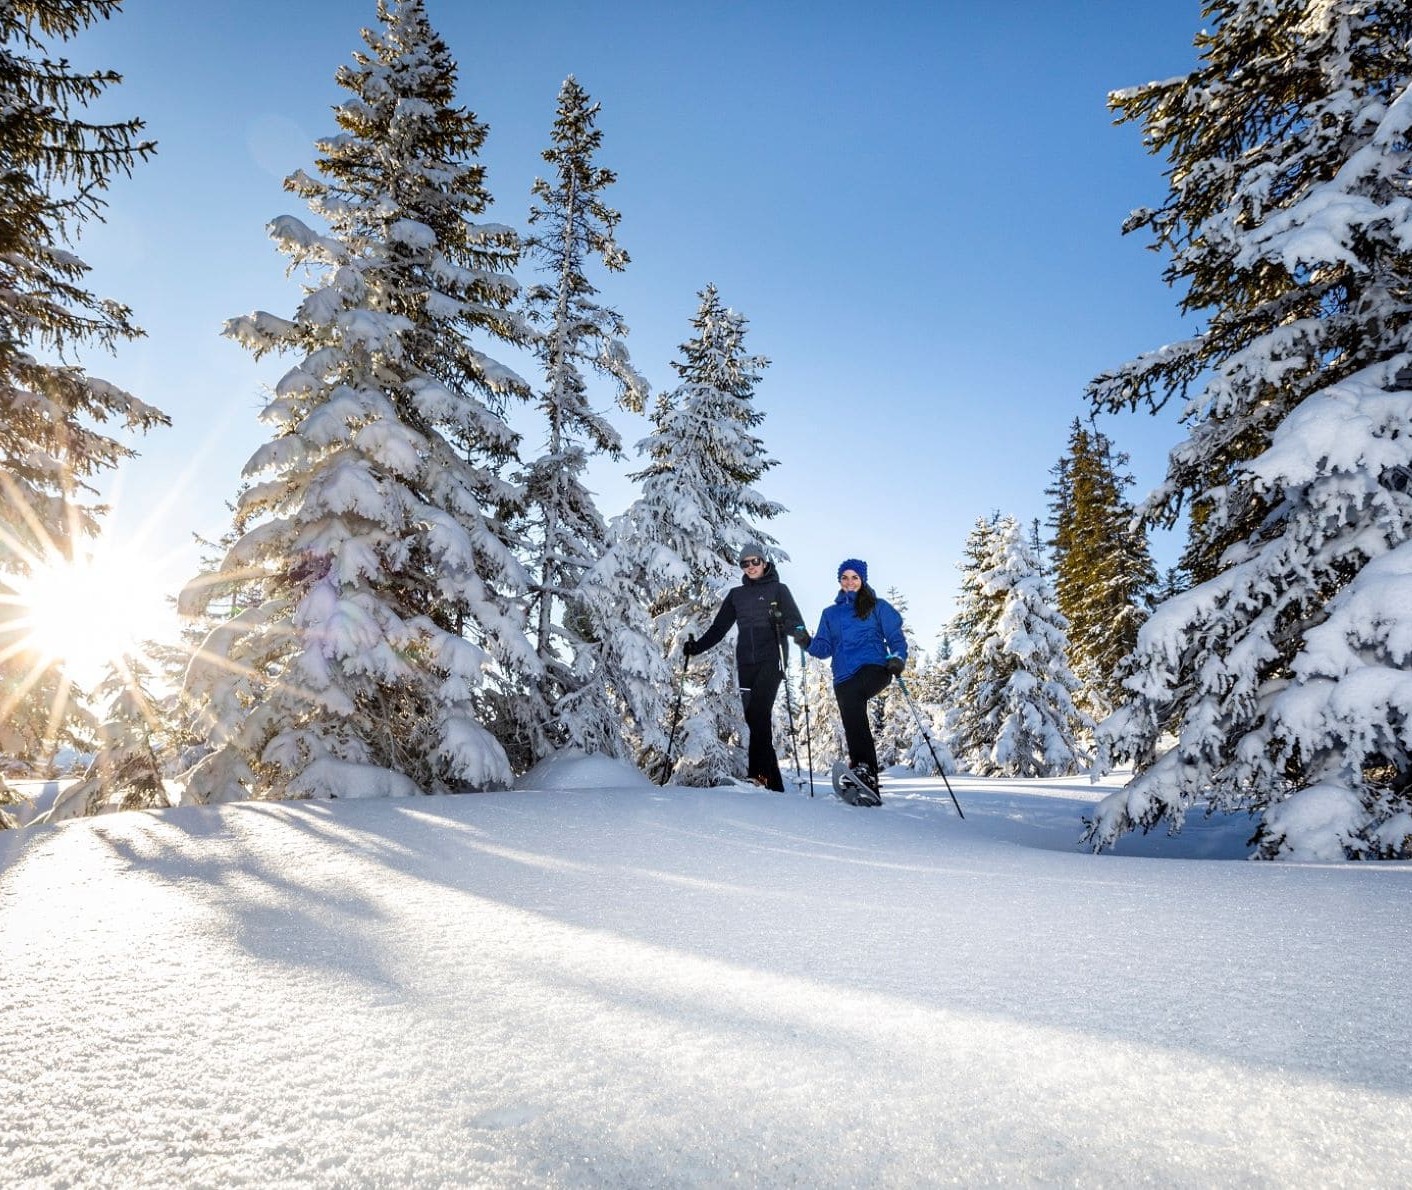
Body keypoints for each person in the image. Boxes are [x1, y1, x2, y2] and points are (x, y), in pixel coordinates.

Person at [683, 542, 807, 791]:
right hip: (746, 663)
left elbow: (796, 622)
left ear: (764, 563)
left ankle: (758, 776)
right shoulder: (736, 596)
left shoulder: (778, 590)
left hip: (772, 660)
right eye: (745, 563)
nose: (750, 566)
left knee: (760, 714)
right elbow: (719, 629)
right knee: (754, 720)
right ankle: (775, 786)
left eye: (755, 561)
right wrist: (696, 648)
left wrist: (800, 634)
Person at [804, 557, 907, 798]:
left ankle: (865, 769)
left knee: (852, 698)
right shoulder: (830, 614)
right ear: (839, 581)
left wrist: (898, 658)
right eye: (845, 578)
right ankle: (864, 775)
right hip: (843, 676)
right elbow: (823, 649)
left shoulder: (877, 606)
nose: (849, 582)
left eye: (854, 577)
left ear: (862, 580)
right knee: (853, 719)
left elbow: (896, 637)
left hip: (874, 668)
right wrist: (806, 642)